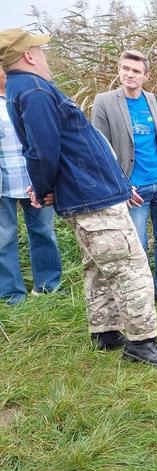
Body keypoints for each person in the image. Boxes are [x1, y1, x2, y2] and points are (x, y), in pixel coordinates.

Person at [0, 28, 157, 367]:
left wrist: (46, 185)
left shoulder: (28, 89)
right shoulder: (34, 90)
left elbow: (45, 149)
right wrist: (43, 186)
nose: (45, 54)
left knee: (98, 268)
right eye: (41, 49)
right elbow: (42, 151)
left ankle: (105, 332)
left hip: (90, 193)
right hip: (92, 196)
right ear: (28, 56)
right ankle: (142, 342)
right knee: (131, 268)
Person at [92, 50, 157, 310]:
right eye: (125, 68)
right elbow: (101, 149)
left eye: (136, 71)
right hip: (134, 189)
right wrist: (122, 186)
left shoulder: (156, 101)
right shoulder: (105, 102)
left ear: (146, 76)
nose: (129, 74)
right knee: (138, 244)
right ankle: (141, 292)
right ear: (119, 70)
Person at [0, 67, 61, 304]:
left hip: (35, 180)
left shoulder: (26, 93)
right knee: (4, 238)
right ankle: (11, 294)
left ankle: (48, 287)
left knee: (43, 232)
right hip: (4, 182)